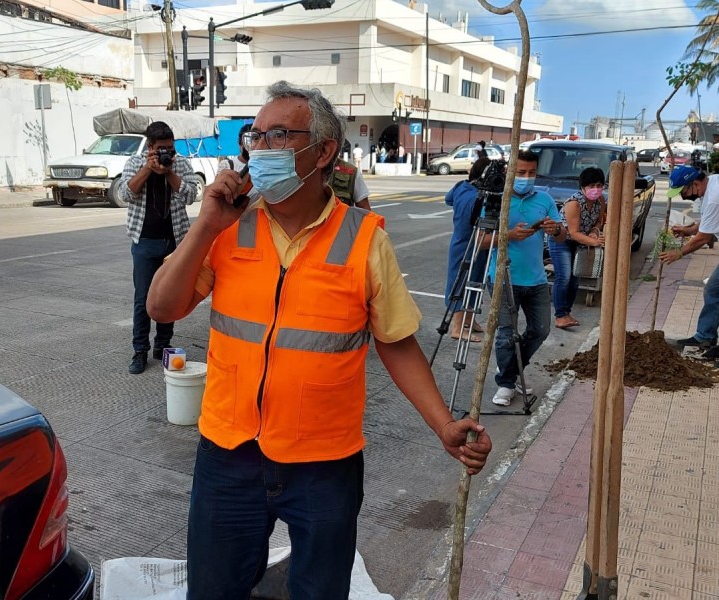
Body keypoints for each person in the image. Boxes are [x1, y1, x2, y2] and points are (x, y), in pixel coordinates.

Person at [146, 81, 492, 600]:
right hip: (229, 452)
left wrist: (443, 424)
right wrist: (206, 225)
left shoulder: (363, 238)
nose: (260, 148)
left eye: (278, 135)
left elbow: (395, 342)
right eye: (255, 136)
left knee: (320, 591)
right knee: (214, 589)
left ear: (324, 151)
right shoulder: (229, 228)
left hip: (323, 463)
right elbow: (161, 307)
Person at [485, 150, 568, 406]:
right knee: (507, 333)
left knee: (540, 330)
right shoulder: (496, 201)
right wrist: (508, 235)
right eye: (521, 173)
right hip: (503, 277)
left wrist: (556, 230)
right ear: (509, 172)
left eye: (531, 173)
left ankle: (510, 372)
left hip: (537, 280)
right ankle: (507, 384)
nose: (526, 178)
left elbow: (562, 235)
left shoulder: (544, 199)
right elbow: (480, 241)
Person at [119, 121, 200, 374]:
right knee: (143, 299)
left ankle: (163, 345)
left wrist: (170, 173)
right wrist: (147, 169)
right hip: (144, 241)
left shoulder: (181, 164)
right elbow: (125, 194)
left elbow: (191, 195)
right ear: (151, 148)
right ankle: (139, 350)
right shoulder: (135, 162)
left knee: (170, 296)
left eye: (171, 149)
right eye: (162, 149)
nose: (168, 154)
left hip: (175, 241)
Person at [660, 165, 719, 353]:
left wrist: (679, 253)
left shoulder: (713, 198)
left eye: (684, 191)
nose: (683, 197)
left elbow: (704, 237)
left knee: (714, 290)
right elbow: (708, 224)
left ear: (695, 184)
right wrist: (688, 230)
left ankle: (706, 337)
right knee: (714, 290)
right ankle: (705, 337)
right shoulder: (712, 185)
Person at [548, 167, 607, 329]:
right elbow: (573, 233)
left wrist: (595, 231)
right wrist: (593, 242)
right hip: (561, 241)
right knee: (564, 276)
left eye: (599, 185)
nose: (596, 189)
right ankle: (560, 316)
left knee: (575, 279)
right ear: (582, 187)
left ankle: (566, 313)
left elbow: (599, 220)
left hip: (581, 241)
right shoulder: (574, 203)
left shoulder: (600, 201)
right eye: (591, 185)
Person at [444, 157, 491, 342]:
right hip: (469, 244)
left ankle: (470, 321)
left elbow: (448, 200)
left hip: (466, 244)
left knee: (475, 282)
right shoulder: (480, 198)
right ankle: (457, 327)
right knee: (461, 284)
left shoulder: (461, 187)